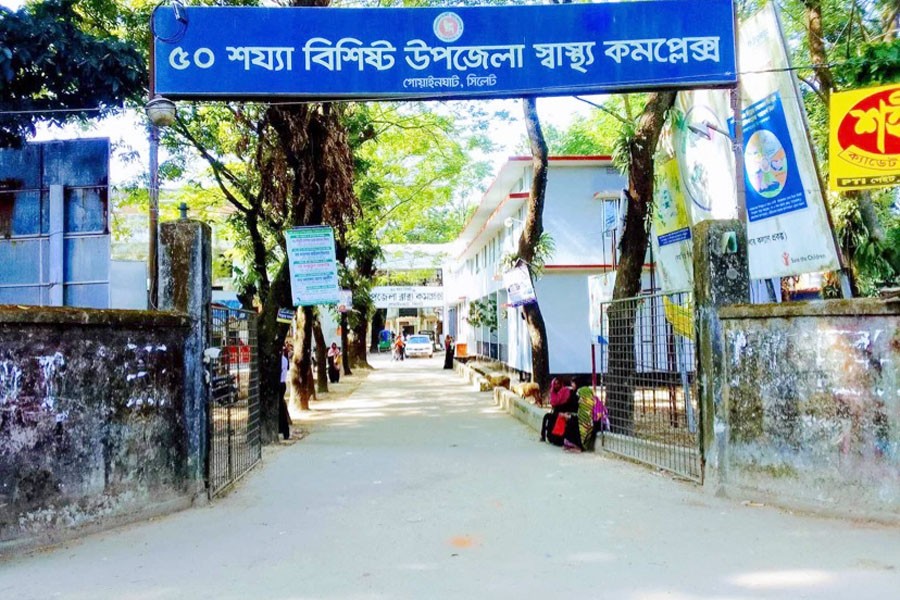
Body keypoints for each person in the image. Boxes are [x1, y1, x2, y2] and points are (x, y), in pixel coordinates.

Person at [540, 377, 578, 444]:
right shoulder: (553, 393)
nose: (557, 385)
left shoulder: (566, 391)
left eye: (558, 383)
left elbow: (568, 404)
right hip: (556, 412)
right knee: (546, 416)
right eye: (555, 384)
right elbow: (554, 404)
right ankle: (543, 436)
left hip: (564, 411)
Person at [278, 343, 292, 440]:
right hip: (282, 384)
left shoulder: (281, 360)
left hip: (279, 384)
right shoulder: (284, 360)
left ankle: (284, 429)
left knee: (280, 407)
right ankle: (283, 430)